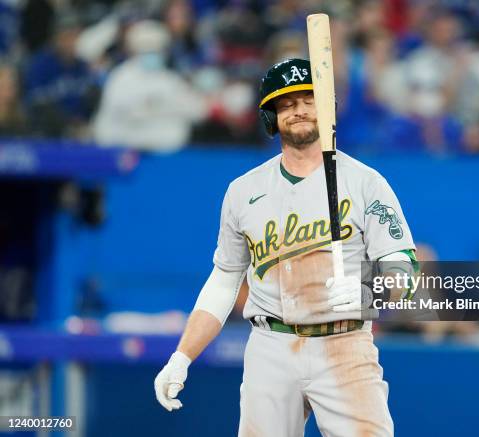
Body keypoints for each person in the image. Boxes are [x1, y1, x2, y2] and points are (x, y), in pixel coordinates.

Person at [154, 58, 418, 436]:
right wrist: (182, 356)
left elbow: (404, 268)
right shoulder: (243, 192)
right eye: (287, 103)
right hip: (271, 344)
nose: (299, 110)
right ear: (271, 117)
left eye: (309, 100)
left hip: (344, 343)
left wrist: (369, 286)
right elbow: (225, 280)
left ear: (327, 108)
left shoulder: (365, 182)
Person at [93, 19, 208, 152]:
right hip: (120, 141)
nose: (153, 53)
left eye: (157, 48)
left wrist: (157, 108)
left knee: (177, 129)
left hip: (159, 144)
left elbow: (197, 110)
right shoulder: (121, 76)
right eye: (147, 48)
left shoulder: (166, 77)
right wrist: (165, 108)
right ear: (134, 50)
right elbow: (131, 113)